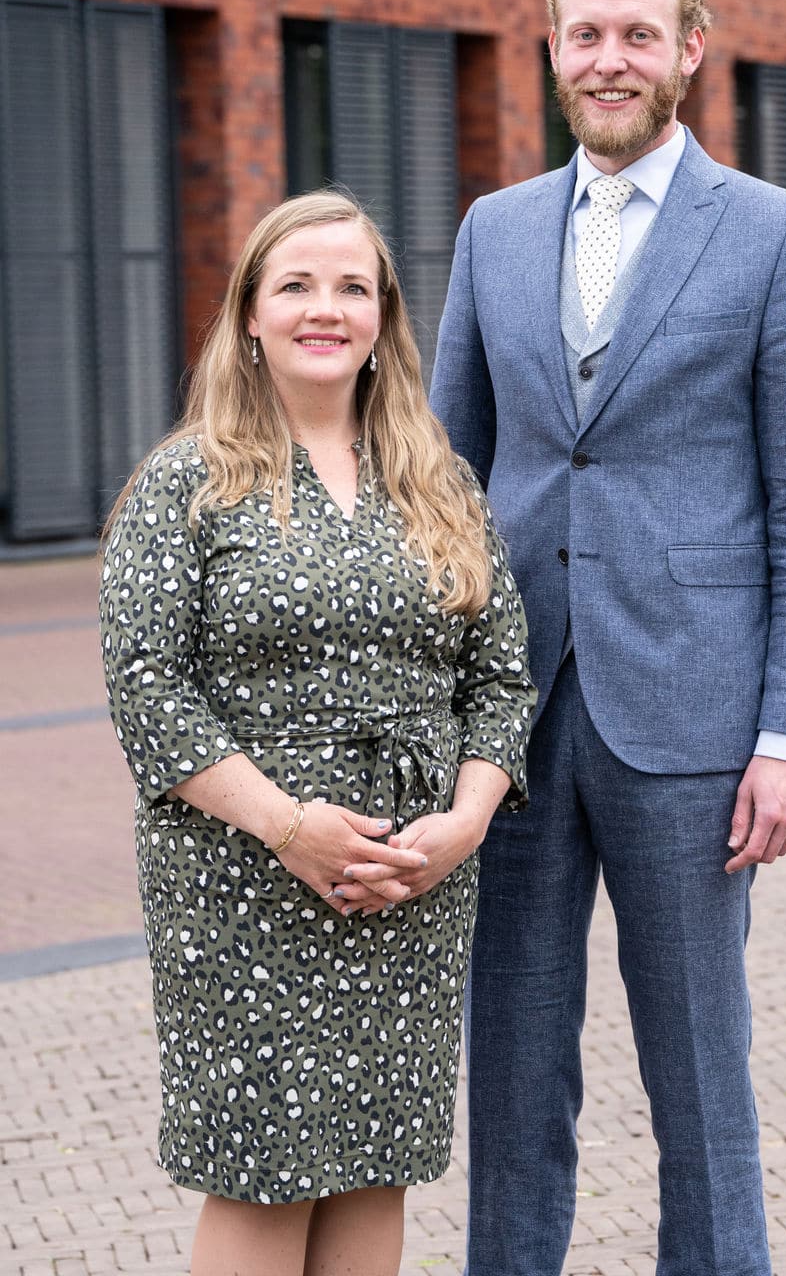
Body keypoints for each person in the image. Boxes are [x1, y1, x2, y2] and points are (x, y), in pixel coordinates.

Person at [430, 0, 786, 1276]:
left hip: (693, 722)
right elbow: (444, 483)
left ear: (688, 49)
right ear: (552, 49)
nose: (608, 59)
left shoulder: (781, 236)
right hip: (511, 724)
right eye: (584, 34)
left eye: (635, 35)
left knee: (698, 1078)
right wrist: (431, 712)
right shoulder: (493, 231)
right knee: (508, 1077)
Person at [100, 190, 535, 1276]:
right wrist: (290, 827)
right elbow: (148, 687)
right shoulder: (185, 482)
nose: (325, 308)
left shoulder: (439, 482)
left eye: (353, 287)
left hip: (409, 884)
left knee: (374, 1167)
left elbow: (500, 676)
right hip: (243, 883)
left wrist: (464, 825)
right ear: (249, 313)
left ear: (384, 315)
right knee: (261, 1173)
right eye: (296, 285)